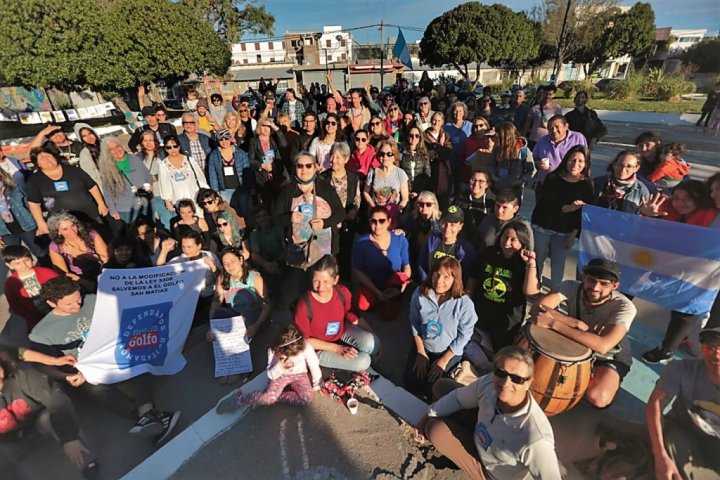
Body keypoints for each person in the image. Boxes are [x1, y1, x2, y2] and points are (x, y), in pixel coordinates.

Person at [29, 276, 180, 447]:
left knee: (139, 360)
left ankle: (146, 414)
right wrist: (65, 376)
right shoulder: (41, 333)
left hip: (113, 353)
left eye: (78, 300)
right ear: (52, 303)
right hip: (84, 370)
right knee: (97, 390)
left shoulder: (92, 301)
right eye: (69, 304)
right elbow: (41, 365)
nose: (77, 306)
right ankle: (150, 416)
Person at [417, 346, 561, 480]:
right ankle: (453, 442)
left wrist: (429, 422)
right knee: (441, 386)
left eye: (517, 379)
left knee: (435, 429)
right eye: (500, 373)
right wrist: (427, 415)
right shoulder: (489, 383)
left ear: (529, 383)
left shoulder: (535, 439)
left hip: (491, 471)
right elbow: (458, 399)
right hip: (481, 433)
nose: (506, 383)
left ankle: (457, 451)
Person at [529, 258, 637, 408]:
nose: (595, 287)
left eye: (604, 284)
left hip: (610, 354)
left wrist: (555, 323)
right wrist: (574, 323)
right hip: (575, 340)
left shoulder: (624, 306)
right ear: (583, 278)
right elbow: (538, 308)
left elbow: (603, 345)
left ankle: (609, 380)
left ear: (615, 286)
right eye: (591, 281)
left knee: (598, 398)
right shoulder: (570, 287)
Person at [639, 181, 718, 364]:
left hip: (699, 274)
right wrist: (647, 214)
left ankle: (667, 349)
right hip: (670, 267)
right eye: (677, 198)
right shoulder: (664, 209)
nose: (680, 203)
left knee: (684, 310)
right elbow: (645, 232)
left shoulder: (710, 217)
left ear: (698, 199)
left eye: (687, 199)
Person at [0, 349, 98, 477]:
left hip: (38, 425)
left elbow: (56, 398)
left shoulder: (22, 377)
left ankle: (88, 464)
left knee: (53, 416)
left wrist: (70, 438)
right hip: (9, 444)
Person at [646, 326, 720, 479]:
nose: (717, 355)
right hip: (683, 429)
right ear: (702, 348)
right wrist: (660, 456)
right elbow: (656, 404)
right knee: (675, 458)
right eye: (710, 347)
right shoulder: (681, 369)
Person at [466, 221, 540, 365]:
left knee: (500, 356)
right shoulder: (488, 253)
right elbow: (474, 277)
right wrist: (467, 297)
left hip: (506, 320)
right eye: (505, 237)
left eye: (513, 240)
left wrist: (530, 264)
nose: (507, 242)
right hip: (481, 311)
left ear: (523, 242)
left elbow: (530, 291)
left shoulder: (524, 262)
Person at [272, 152, 345, 291]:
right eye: (300, 166)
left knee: (324, 286)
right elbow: (275, 218)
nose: (304, 169)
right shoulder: (287, 191)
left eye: (308, 165)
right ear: (295, 168)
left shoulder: (325, 188)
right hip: (299, 250)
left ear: (315, 167)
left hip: (325, 248)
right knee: (304, 287)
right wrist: (290, 218)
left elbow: (341, 213)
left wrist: (325, 223)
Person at [294, 255, 380, 371]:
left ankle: (370, 363)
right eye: (316, 281)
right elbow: (305, 341)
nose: (320, 287)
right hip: (319, 348)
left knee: (373, 343)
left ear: (335, 280)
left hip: (340, 333)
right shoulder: (304, 304)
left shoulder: (342, 293)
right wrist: (337, 348)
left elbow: (353, 315)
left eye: (326, 281)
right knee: (363, 361)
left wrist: (373, 334)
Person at [406, 257, 476, 397]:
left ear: (455, 279)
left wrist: (443, 360)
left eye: (446, 277)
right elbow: (414, 322)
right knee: (411, 383)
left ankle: (454, 364)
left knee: (434, 390)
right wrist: (420, 352)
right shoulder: (420, 293)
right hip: (424, 346)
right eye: (437, 274)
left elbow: (465, 335)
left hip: (448, 351)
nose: (439, 281)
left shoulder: (464, 304)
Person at [216, 324, 321, 412]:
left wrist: (317, 382)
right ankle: (240, 399)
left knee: (307, 398)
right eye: (287, 355)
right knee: (268, 399)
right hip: (280, 375)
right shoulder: (273, 350)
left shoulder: (305, 346)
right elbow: (270, 374)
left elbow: (313, 364)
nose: (292, 358)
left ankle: (275, 396)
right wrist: (280, 367)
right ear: (279, 348)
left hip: (299, 375)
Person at [531, 145, 594, 291]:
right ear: (566, 160)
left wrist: (573, 235)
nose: (575, 164)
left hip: (565, 231)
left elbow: (584, 214)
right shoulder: (553, 178)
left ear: (586, 164)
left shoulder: (587, 184)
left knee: (558, 265)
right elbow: (547, 204)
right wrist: (569, 208)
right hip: (543, 225)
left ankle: (554, 294)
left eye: (580, 161)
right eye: (572, 160)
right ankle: (534, 288)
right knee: (538, 259)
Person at [25, 146, 109, 235]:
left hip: (90, 216)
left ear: (54, 157)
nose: (47, 159)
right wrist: (41, 224)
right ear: (38, 164)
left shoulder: (73, 170)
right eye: (42, 158)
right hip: (62, 224)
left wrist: (101, 204)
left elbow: (92, 186)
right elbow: (34, 204)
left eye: (48, 156)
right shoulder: (35, 180)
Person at [212, 247, 270, 371]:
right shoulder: (223, 279)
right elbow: (216, 302)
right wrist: (212, 327)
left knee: (244, 315)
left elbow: (266, 305)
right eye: (225, 263)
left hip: (253, 318)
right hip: (235, 317)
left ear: (241, 260)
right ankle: (227, 365)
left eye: (232, 261)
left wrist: (257, 325)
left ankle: (238, 367)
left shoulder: (254, 278)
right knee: (219, 314)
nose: (229, 266)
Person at [352, 207, 411, 319]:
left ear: (389, 222)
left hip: (393, 284)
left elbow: (407, 267)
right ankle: (376, 299)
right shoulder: (362, 243)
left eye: (382, 221)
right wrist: (377, 292)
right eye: (373, 221)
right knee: (363, 304)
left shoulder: (400, 240)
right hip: (372, 284)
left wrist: (400, 289)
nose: (378, 225)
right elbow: (358, 270)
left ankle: (393, 298)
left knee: (388, 316)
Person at [159, 230, 220, 328]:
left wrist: (213, 267)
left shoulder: (210, 256)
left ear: (199, 246)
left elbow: (221, 280)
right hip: (188, 299)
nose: (186, 250)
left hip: (207, 297)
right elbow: (160, 271)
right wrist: (164, 251)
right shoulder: (180, 260)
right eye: (183, 247)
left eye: (189, 247)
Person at [320, 143, 360, 279]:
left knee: (345, 254)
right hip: (328, 223)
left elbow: (356, 198)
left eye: (337, 157)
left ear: (346, 159)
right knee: (328, 255)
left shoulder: (353, 178)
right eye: (332, 157)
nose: (333, 160)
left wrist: (354, 209)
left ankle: (344, 282)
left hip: (346, 223)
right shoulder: (322, 177)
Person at [47, 212, 108, 293]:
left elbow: (106, 259)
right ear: (58, 232)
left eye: (73, 226)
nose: (72, 231)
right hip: (79, 277)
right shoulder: (56, 246)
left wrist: (79, 253)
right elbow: (63, 274)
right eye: (65, 229)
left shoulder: (91, 235)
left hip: (101, 270)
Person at [98, 138, 153, 226]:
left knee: (149, 230)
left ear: (122, 147)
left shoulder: (135, 160)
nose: (116, 150)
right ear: (108, 153)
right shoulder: (107, 169)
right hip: (126, 209)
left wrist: (149, 185)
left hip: (144, 204)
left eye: (117, 146)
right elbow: (107, 192)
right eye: (111, 149)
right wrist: (112, 210)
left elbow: (147, 175)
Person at [3, 245, 58, 330]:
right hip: (34, 320)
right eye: (17, 263)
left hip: (58, 311)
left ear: (31, 258)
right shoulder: (11, 283)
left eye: (26, 260)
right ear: (9, 265)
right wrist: (29, 316)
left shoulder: (47, 273)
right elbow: (15, 305)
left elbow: (61, 289)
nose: (24, 265)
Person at [417, 206, 476, 284]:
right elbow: (422, 264)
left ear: (460, 226)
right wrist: (426, 283)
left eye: (452, 225)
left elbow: (468, 275)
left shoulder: (466, 249)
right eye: (444, 223)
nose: (447, 228)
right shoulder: (431, 241)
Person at [0, 167, 47, 260]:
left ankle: (49, 273)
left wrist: (40, 224)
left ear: (2, 177)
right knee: (13, 258)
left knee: (40, 252)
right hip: (6, 232)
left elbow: (31, 206)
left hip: (28, 226)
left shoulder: (15, 188)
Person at [157, 135, 209, 218]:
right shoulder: (163, 165)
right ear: (165, 149)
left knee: (200, 219)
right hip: (178, 198)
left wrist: (206, 194)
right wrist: (167, 201)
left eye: (175, 146)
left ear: (179, 146)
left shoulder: (189, 160)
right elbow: (164, 184)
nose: (173, 149)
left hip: (194, 195)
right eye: (169, 147)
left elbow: (200, 177)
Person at [532, 114, 588, 189]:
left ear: (566, 126)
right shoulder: (542, 141)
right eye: (550, 128)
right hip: (546, 186)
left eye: (557, 127)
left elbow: (586, 161)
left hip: (571, 186)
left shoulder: (577, 138)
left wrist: (586, 182)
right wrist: (538, 164)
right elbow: (532, 160)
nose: (554, 130)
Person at [207, 129, 253, 220]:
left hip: (241, 188)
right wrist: (215, 190)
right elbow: (212, 174)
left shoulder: (240, 153)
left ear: (230, 139)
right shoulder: (214, 155)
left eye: (226, 139)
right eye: (221, 139)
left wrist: (251, 187)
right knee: (229, 215)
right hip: (225, 190)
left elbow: (247, 172)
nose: (224, 142)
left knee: (245, 212)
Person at [363, 140, 409, 227]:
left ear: (394, 155)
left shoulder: (400, 173)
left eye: (389, 154)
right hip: (376, 217)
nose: (385, 157)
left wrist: (396, 210)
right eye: (382, 154)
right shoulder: (373, 172)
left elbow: (405, 198)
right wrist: (373, 207)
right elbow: (365, 192)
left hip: (393, 218)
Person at [472, 188, 533, 253]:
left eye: (505, 207)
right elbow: (475, 243)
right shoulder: (488, 219)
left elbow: (529, 251)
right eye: (497, 206)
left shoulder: (523, 226)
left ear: (515, 209)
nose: (499, 210)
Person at [592, 149, 650, 214]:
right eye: (620, 164)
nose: (623, 169)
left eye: (629, 166)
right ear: (614, 164)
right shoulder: (597, 183)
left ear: (636, 168)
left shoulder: (641, 191)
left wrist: (646, 214)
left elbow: (643, 218)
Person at [485, 121, 535, 195]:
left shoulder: (523, 151)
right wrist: (493, 176)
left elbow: (531, 170)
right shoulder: (497, 148)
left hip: (514, 191)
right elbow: (491, 165)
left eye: (498, 136)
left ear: (505, 137)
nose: (495, 139)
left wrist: (521, 181)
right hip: (497, 189)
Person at [134, 130, 171, 229]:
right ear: (141, 142)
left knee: (169, 218)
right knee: (156, 221)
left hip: (166, 192)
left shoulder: (163, 153)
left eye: (151, 140)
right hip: (151, 194)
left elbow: (170, 170)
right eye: (145, 140)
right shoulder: (138, 157)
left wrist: (154, 177)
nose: (148, 143)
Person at [249, 116, 288, 208]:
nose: (266, 128)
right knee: (268, 205)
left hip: (278, 175)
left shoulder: (274, 139)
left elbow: (284, 144)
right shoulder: (254, 141)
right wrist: (261, 165)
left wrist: (275, 127)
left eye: (268, 126)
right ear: (259, 127)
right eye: (263, 126)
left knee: (280, 203)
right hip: (263, 177)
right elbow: (250, 160)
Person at [453, 170, 494, 241]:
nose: (476, 184)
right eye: (473, 180)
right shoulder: (460, 199)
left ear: (487, 184)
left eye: (481, 181)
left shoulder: (493, 202)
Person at [424, 111, 454, 208]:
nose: (436, 123)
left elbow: (448, 151)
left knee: (442, 197)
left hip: (443, 169)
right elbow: (423, 150)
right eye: (434, 120)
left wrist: (435, 151)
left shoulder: (446, 135)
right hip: (429, 169)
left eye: (438, 121)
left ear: (442, 122)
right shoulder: (424, 135)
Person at [523, 84, 562, 150]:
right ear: (543, 94)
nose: (547, 96)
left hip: (548, 139)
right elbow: (527, 123)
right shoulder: (535, 108)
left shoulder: (557, 109)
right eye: (546, 94)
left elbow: (559, 124)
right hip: (534, 139)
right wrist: (523, 135)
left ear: (553, 95)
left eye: (550, 94)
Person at [400, 126, 432, 198]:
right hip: (404, 191)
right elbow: (399, 172)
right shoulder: (401, 152)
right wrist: (406, 191)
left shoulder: (424, 153)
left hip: (419, 191)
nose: (414, 138)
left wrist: (418, 191)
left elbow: (427, 174)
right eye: (411, 135)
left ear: (420, 138)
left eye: (417, 136)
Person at [73, 123, 102, 188]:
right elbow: (91, 177)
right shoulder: (84, 154)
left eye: (90, 133)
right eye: (84, 136)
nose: (89, 137)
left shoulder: (106, 145)